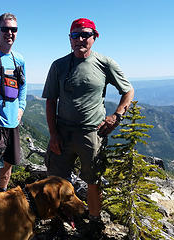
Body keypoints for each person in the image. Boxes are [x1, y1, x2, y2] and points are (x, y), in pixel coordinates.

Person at [42, 18, 134, 236]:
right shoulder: (59, 65)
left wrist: (116, 117)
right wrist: (53, 134)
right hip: (63, 132)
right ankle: (57, 220)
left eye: (85, 35)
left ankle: (94, 222)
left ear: (95, 37)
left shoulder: (105, 63)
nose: (80, 39)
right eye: (75, 35)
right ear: (69, 39)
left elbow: (128, 91)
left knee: (93, 180)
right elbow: (50, 101)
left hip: (92, 132)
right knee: (55, 180)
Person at [0, 13, 27, 192]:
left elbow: (23, 86)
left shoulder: (19, 59)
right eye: (5, 29)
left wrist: (21, 108)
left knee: (7, 167)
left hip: (12, 120)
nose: (9, 33)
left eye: (13, 29)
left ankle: (0, 200)